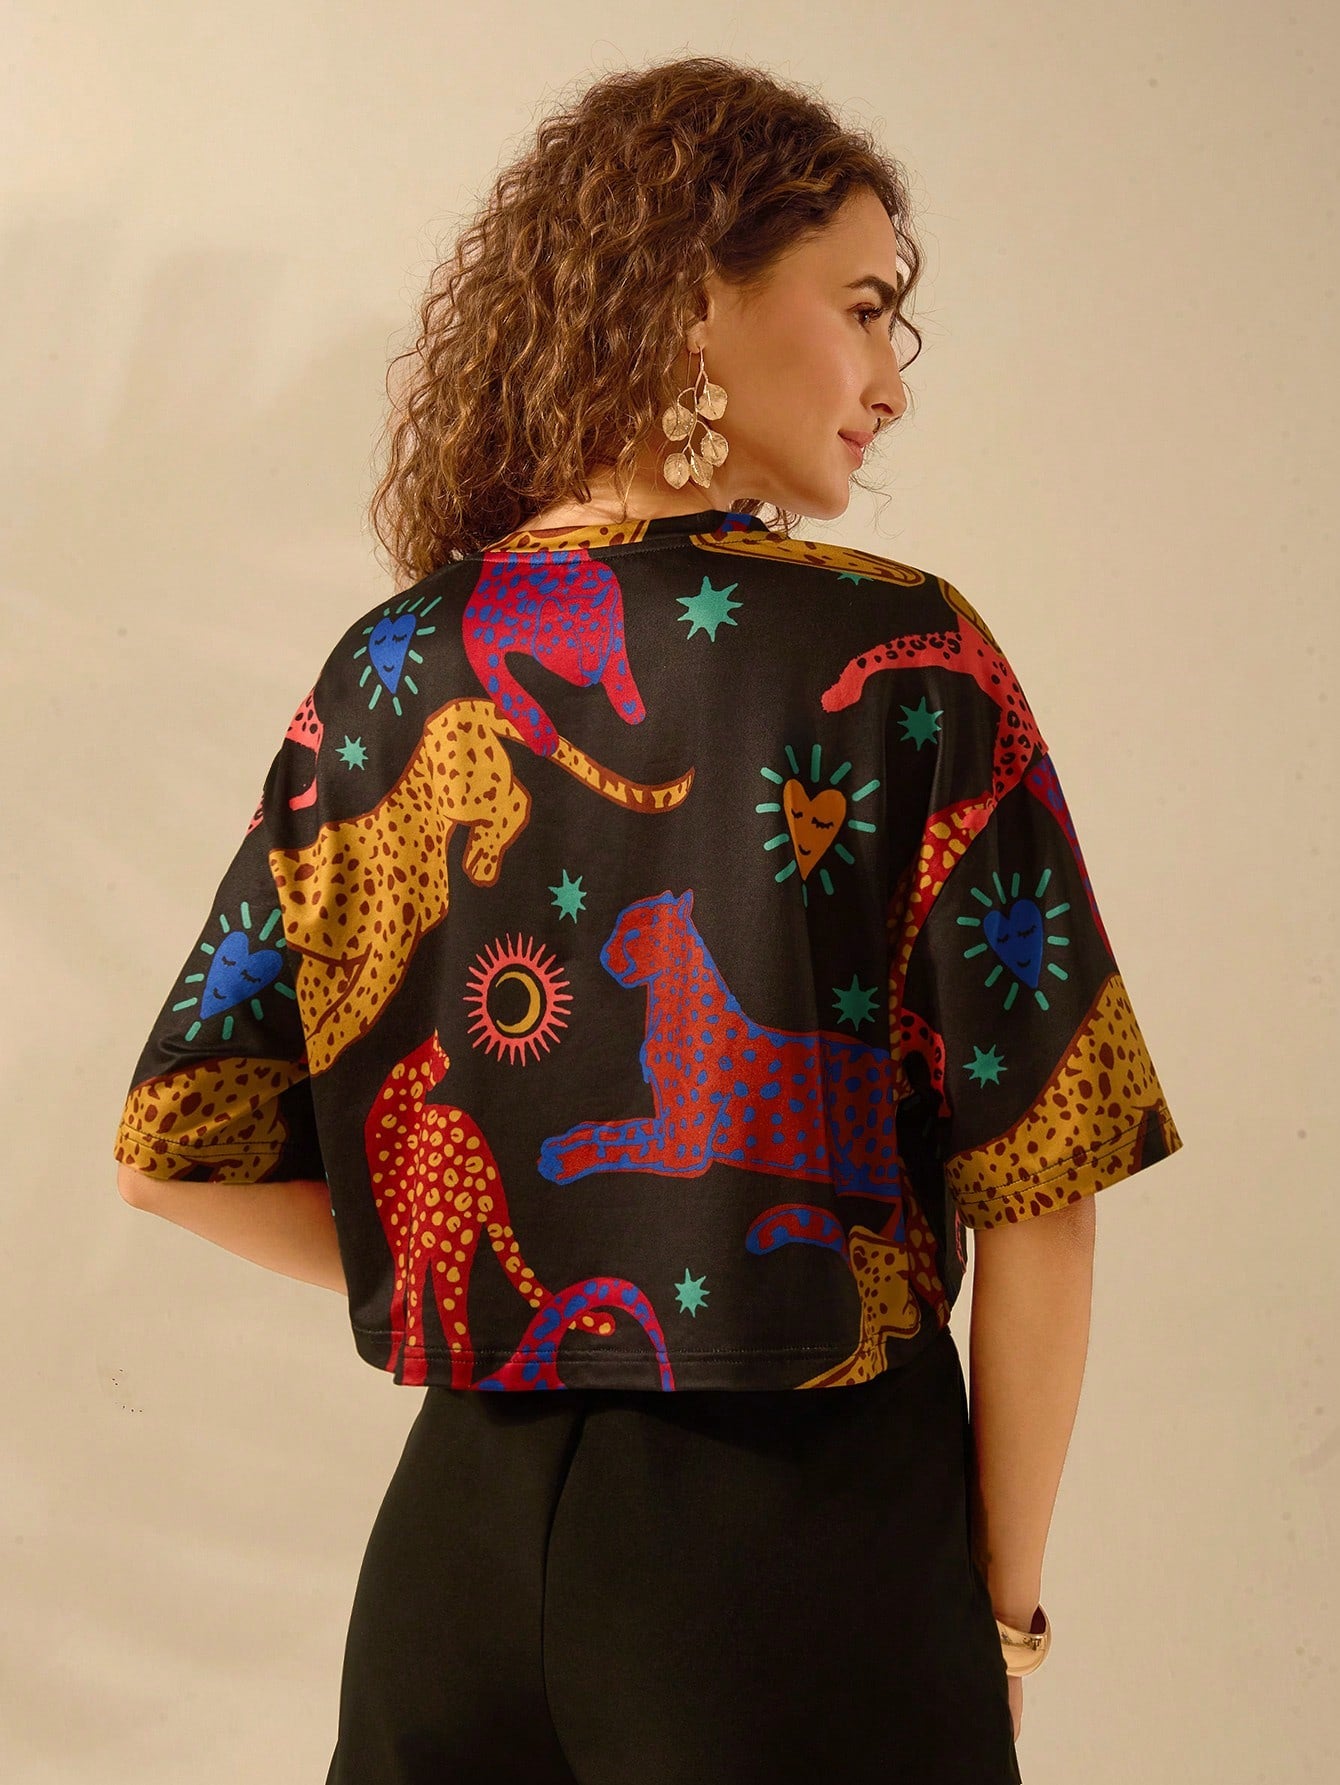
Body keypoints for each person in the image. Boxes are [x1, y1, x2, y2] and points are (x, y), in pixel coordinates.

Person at [113, 53, 1183, 1784]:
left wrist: (502, 1277)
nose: (891, 381)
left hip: (454, 1557)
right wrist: (997, 1614)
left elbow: (175, 1154)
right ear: (695, 298)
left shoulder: (391, 667)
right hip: (800, 1559)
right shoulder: (902, 660)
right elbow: (1044, 1189)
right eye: (864, 308)